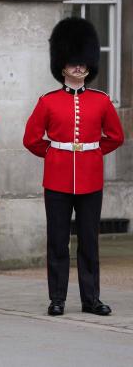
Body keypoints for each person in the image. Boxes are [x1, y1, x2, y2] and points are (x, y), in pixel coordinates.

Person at [23, 17, 124, 316]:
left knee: (89, 243)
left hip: (90, 179)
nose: (79, 67)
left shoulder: (101, 101)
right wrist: (55, 154)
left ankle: (91, 298)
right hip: (57, 179)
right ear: (62, 65)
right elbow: (31, 139)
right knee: (57, 242)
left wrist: (92, 152)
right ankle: (57, 298)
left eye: (83, 62)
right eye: (73, 61)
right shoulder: (48, 102)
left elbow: (116, 137)